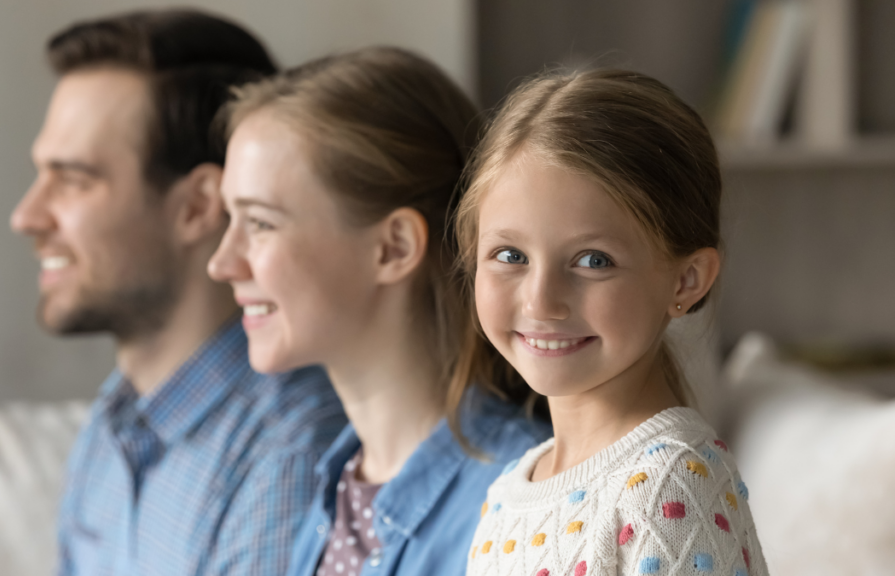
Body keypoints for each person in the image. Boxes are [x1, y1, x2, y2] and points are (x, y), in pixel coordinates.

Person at [9, 10, 346, 576]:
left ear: (196, 207)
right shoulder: (112, 420)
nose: (26, 216)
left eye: (73, 180)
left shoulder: (290, 457)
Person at [207, 47, 549, 576]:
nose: (221, 264)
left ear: (392, 247)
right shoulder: (340, 482)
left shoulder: (520, 505)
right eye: (230, 218)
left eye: (260, 223)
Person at [457, 68, 768, 576]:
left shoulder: (668, 486)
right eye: (510, 254)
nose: (541, 302)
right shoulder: (510, 490)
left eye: (593, 260)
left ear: (686, 280)